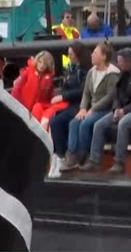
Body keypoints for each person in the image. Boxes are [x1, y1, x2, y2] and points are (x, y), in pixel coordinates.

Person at [84, 48, 131, 174]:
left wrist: (126, 110)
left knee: (123, 123)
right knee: (99, 125)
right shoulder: (125, 73)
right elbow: (117, 93)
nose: (118, 65)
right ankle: (94, 160)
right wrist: (117, 108)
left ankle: (119, 162)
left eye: (120, 62)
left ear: (128, 61)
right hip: (125, 108)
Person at [59, 42, 120, 173]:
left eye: (95, 53)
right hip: (91, 107)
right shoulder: (91, 72)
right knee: (74, 123)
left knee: (86, 123)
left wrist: (93, 109)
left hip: (105, 109)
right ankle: (71, 155)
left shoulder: (112, 74)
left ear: (103, 57)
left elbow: (110, 97)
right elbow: (86, 93)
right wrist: (83, 108)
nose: (92, 55)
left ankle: (84, 155)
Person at [47, 42, 92, 178]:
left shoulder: (85, 71)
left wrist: (63, 96)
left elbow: (84, 90)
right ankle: (57, 156)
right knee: (54, 120)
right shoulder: (71, 69)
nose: (69, 56)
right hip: (69, 103)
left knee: (62, 121)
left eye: (71, 53)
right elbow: (65, 86)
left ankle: (65, 156)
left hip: (81, 103)